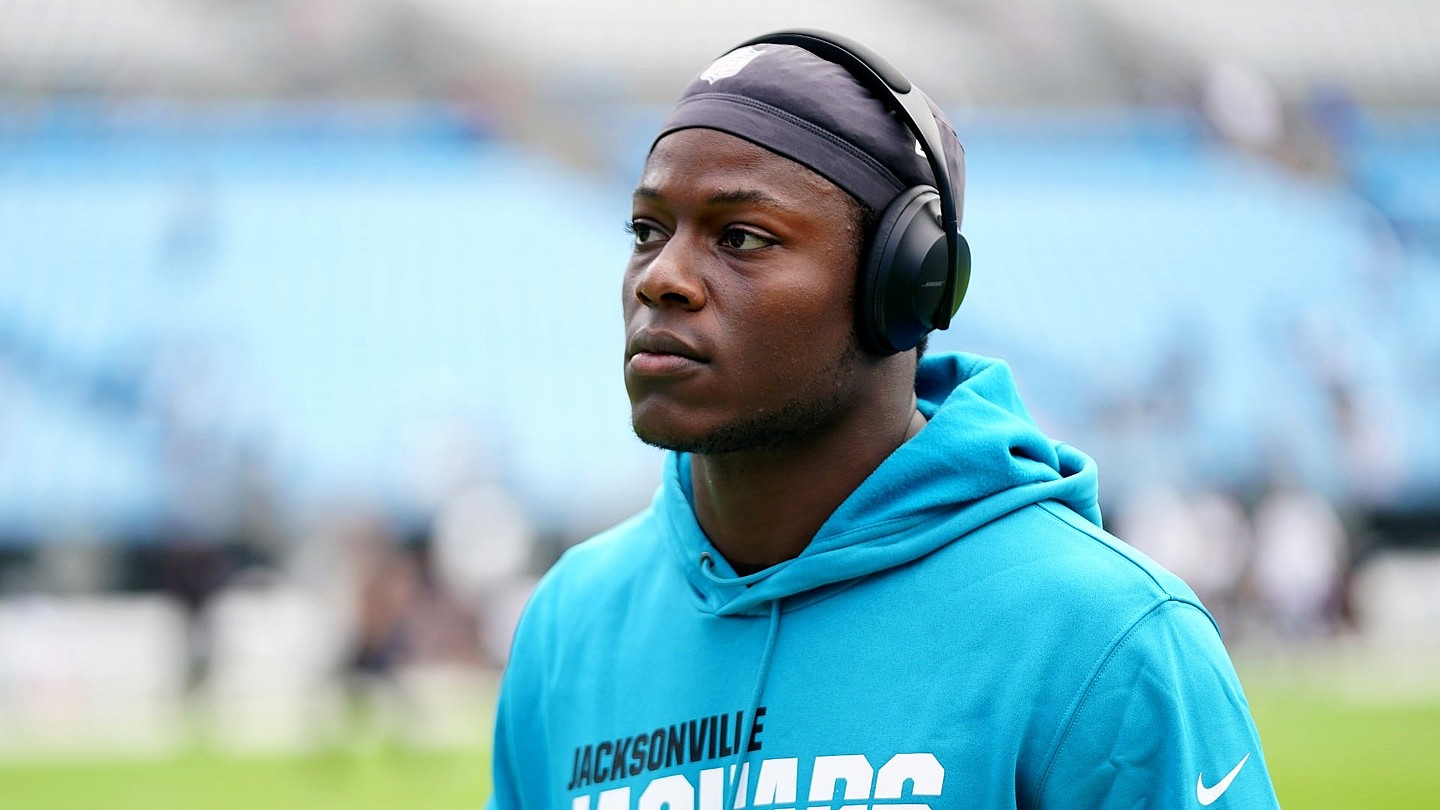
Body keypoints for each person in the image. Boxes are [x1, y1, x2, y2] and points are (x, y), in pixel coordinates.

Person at [488, 30, 1277, 809]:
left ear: (904, 285)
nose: (660, 277)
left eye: (741, 238)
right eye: (646, 231)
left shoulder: (1102, 636)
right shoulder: (569, 625)